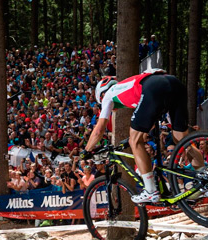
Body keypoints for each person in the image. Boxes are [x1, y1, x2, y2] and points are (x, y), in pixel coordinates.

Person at [84, 70, 196, 203]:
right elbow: (149, 123)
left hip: (154, 87)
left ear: (101, 95)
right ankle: (206, 177)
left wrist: (86, 151)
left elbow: (99, 130)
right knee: (182, 140)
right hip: (174, 83)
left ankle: (150, 190)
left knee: (134, 141)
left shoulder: (109, 94)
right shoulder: (129, 90)